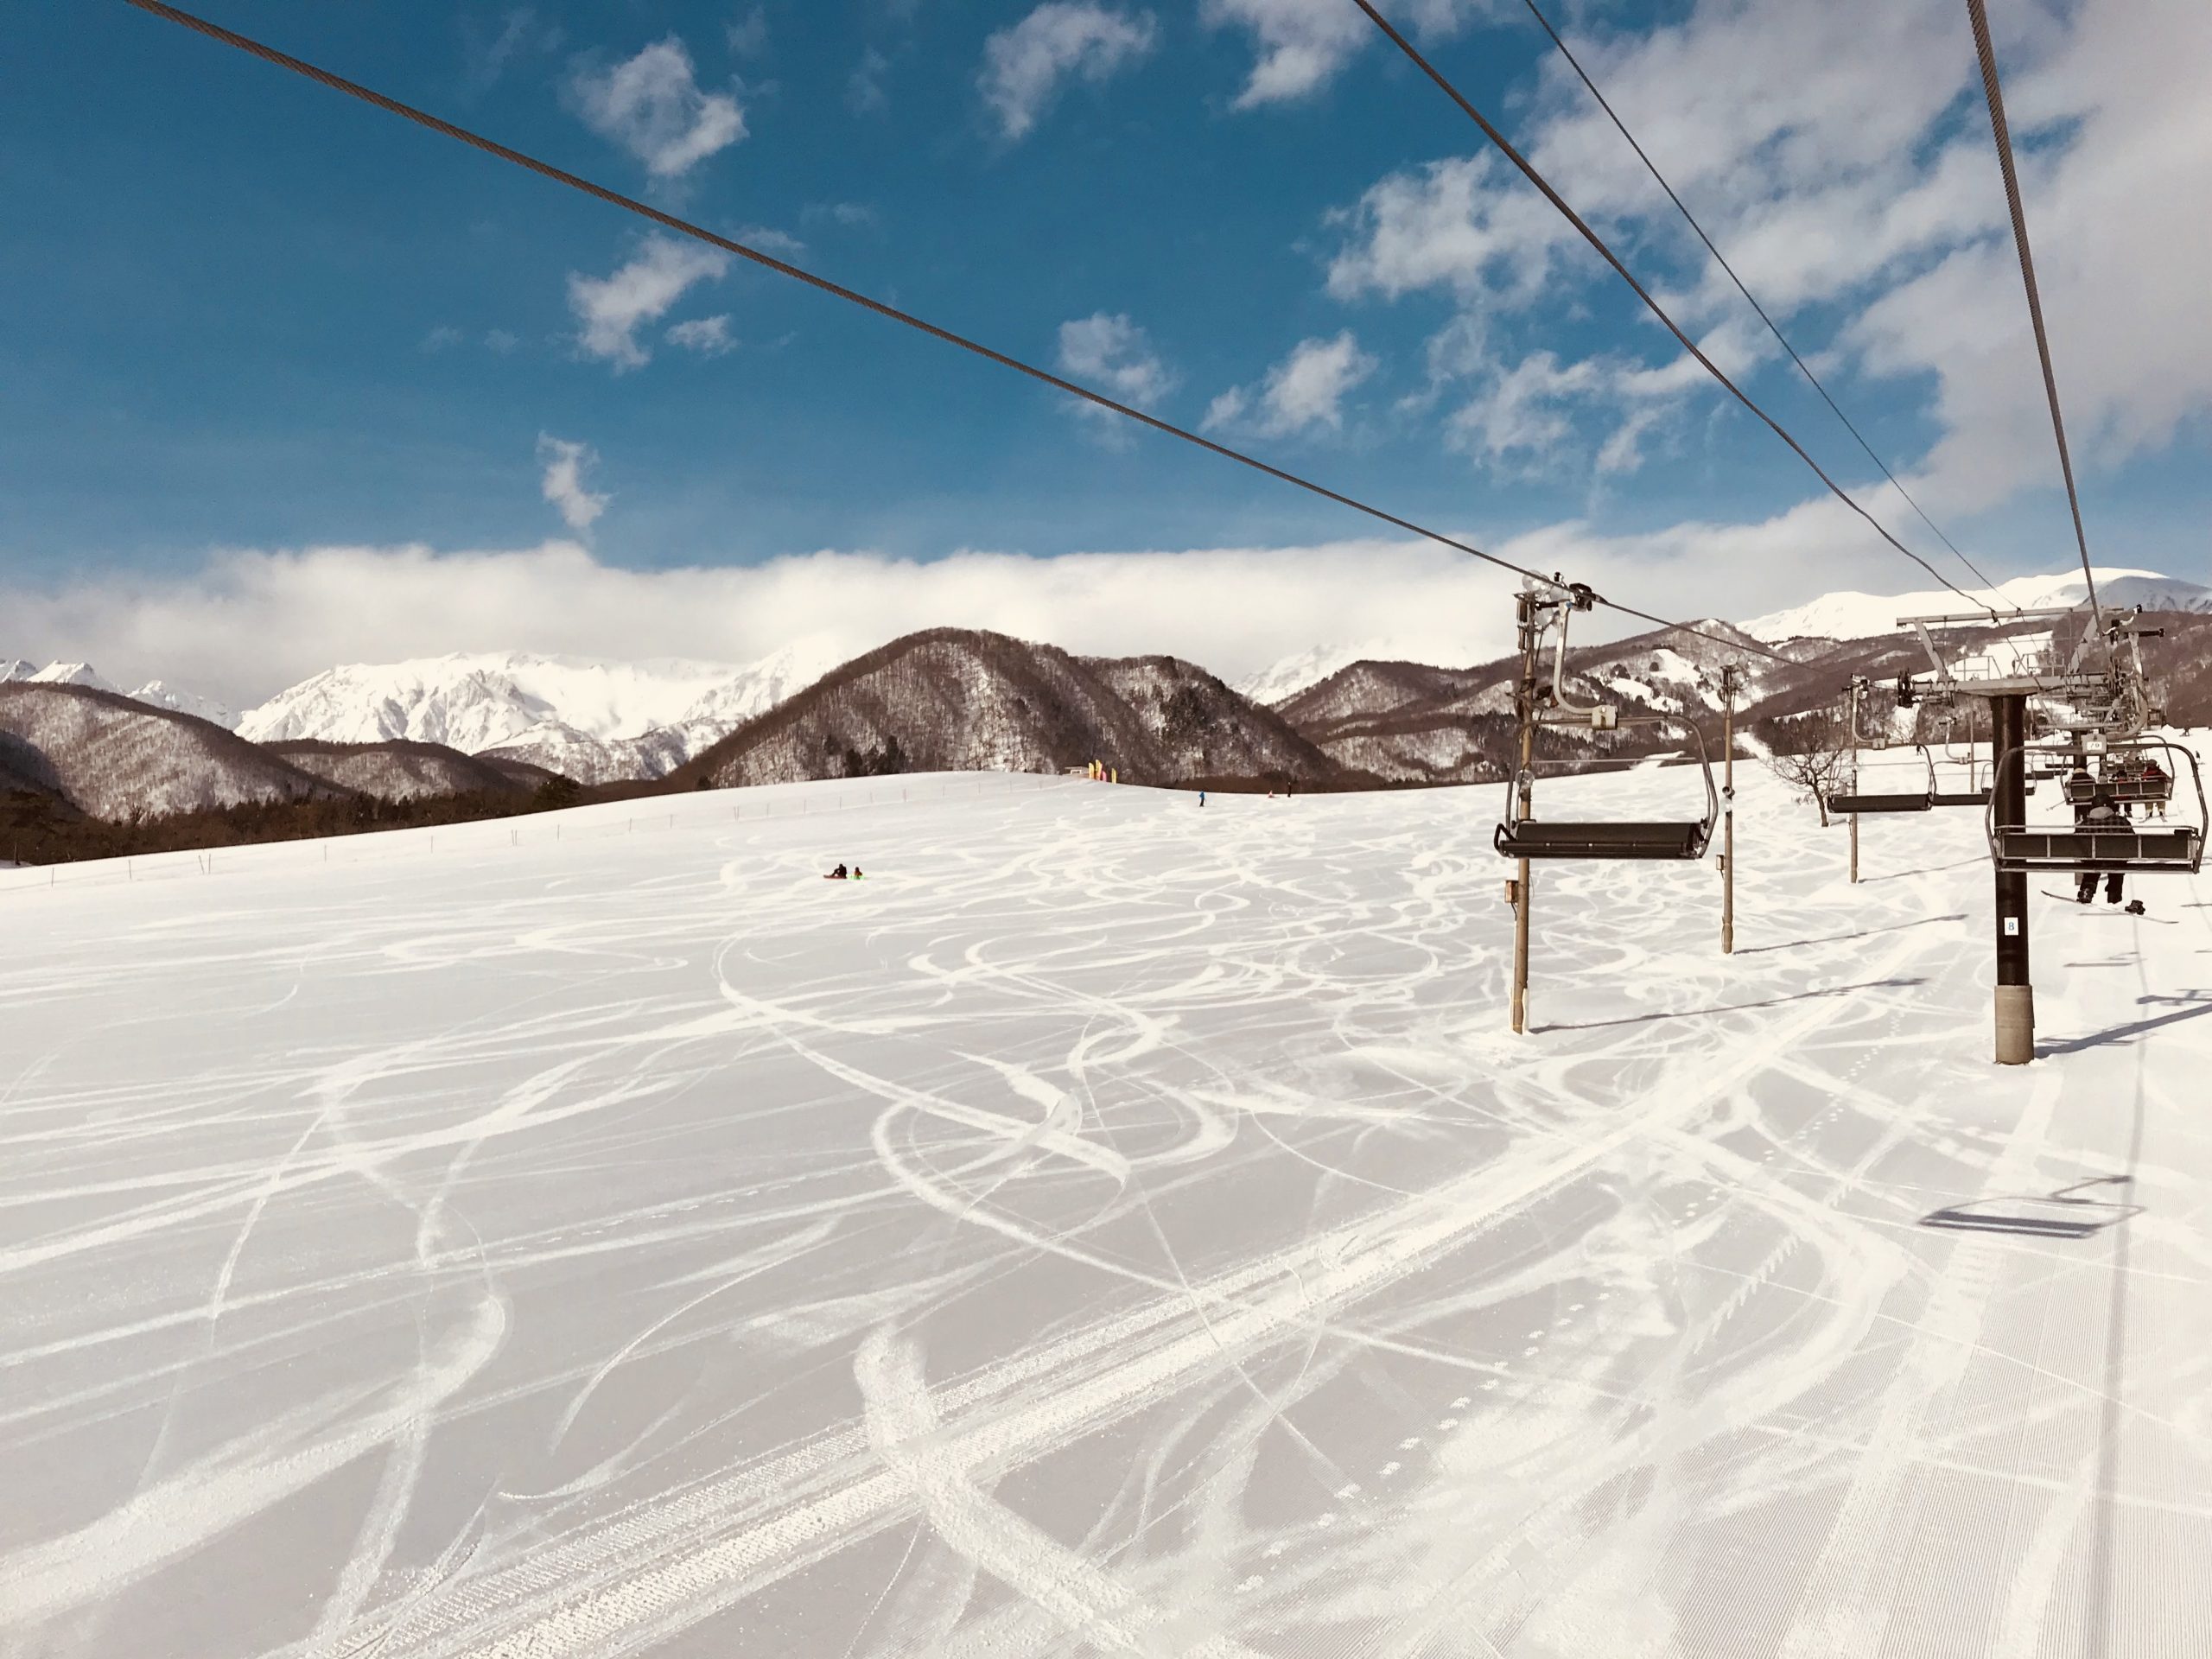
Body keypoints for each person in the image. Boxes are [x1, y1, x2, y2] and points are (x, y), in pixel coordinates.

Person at [2074, 790, 2131, 905]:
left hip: (2092, 860)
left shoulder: (2084, 824)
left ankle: (2087, 888)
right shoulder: (2121, 821)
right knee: (2117, 867)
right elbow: (2133, 842)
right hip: (2115, 861)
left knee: (2091, 863)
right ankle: (2114, 894)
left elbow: (2075, 843)